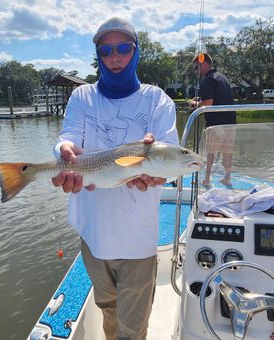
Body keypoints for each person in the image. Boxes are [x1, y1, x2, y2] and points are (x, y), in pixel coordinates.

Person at [52, 17, 179, 340]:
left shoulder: (157, 100)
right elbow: (67, 137)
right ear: (98, 55)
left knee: (132, 329)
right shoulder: (82, 96)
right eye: (106, 50)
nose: (115, 57)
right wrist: (63, 150)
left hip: (138, 239)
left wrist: (156, 175)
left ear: (136, 52)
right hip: (93, 233)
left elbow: (171, 158)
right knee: (108, 309)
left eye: (123, 48)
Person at [189, 53, 236, 187]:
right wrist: (201, 101)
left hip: (216, 124)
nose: (196, 72)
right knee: (228, 152)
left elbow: (208, 104)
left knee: (210, 151)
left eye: (196, 68)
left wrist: (194, 104)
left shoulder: (208, 80)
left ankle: (207, 179)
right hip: (230, 122)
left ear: (203, 63)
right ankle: (227, 178)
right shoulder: (222, 78)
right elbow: (216, 99)